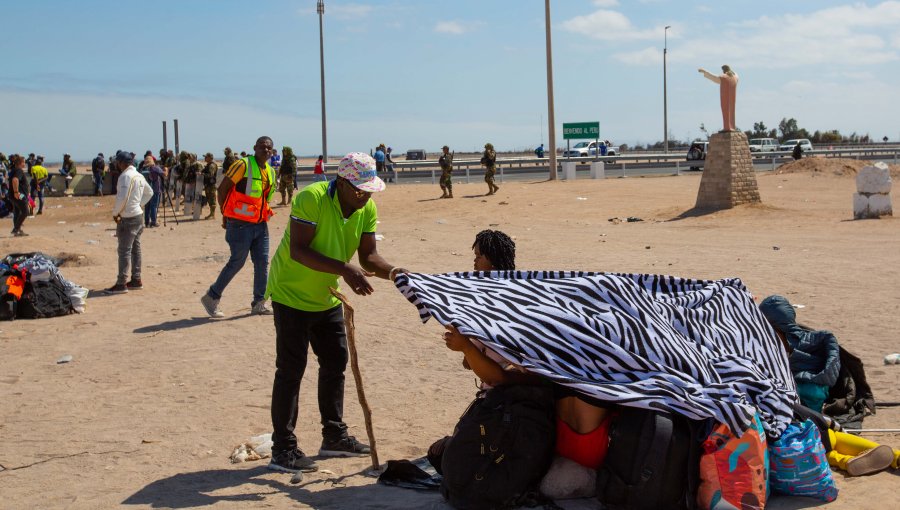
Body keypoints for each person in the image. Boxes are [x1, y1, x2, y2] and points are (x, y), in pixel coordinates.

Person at [264, 152, 407, 473]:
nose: (366, 195)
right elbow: (298, 251)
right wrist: (345, 269)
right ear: (341, 183)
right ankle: (283, 449)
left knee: (335, 363)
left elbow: (369, 257)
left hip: (327, 297)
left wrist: (397, 272)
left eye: (369, 190)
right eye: (359, 189)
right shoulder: (311, 198)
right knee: (290, 370)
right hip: (291, 293)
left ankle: (334, 436)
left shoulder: (365, 207)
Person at [445, 229, 614, 470]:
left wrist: (466, 348)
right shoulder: (522, 294)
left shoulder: (490, 303)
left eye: (479, 255)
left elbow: (496, 377)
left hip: (507, 401)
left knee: (448, 454)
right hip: (523, 395)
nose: (474, 261)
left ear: (491, 259)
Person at [200, 136, 277, 318]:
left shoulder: (270, 171)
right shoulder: (242, 165)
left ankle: (259, 302)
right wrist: (225, 214)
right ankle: (211, 297)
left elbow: (263, 198)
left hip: (260, 224)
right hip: (240, 224)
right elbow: (222, 189)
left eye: (269, 148)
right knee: (237, 262)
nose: (266, 150)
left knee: (262, 263)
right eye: (262, 147)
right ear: (255, 148)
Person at [104, 150, 153, 294]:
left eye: (118, 163)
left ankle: (121, 283)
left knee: (124, 250)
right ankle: (136, 279)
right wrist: (138, 204)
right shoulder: (139, 175)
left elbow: (122, 198)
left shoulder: (124, 176)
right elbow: (149, 193)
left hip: (127, 217)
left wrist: (115, 213)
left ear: (121, 163)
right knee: (136, 249)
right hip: (138, 216)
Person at [699, 65, 739, 132]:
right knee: (731, 111)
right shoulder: (735, 76)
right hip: (732, 98)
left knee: (726, 111)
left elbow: (714, 78)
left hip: (725, 98)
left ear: (724, 70)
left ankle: (727, 127)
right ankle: (732, 126)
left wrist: (705, 72)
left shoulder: (724, 77)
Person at [8, 155, 30, 236]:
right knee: (25, 212)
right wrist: (16, 192)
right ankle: (16, 229)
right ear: (21, 163)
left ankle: (18, 230)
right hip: (19, 195)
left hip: (13, 195)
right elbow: (15, 180)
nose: (25, 163)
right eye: (24, 162)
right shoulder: (19, 170)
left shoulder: (14, 170)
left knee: (17, 212)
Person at [142, 155, 165, 227]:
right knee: (154, 206)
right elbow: (164, 175)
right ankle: (154, 221)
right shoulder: (155, 168)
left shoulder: (143, 169)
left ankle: (146, 222)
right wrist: (166, 169)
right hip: (155, 189)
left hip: (146, 190)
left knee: (147, 206)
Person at [201, 153, 218, 220]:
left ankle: (212, 214)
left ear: (210, 158)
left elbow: (210, 175)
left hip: (211, 185)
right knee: (209, 199)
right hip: (208, 185)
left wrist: (202, 174)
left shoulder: (212, 165)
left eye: (206, 157)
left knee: (212, 199)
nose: (205, 158)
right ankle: (211, 213)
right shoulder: (208, 165)